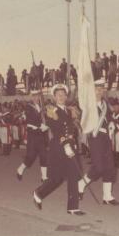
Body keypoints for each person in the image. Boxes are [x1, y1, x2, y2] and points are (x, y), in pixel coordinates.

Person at [33, 84, 85, 215]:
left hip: (71, 145)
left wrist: (72, 142)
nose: (61, 97)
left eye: (63, 94)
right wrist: (65, 143)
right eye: (58, 95)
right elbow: (55, 128)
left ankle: (72, 207)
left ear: (66, 96)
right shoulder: (51, 110)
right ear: (54, 97)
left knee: (74, 174)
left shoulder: (70, 110)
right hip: (59, 147)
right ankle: (39, 193)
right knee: (57, 179)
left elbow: (73, 128)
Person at [78, 79, 119, 205]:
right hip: (95, 137)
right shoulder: (88, 106)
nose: (100, 91)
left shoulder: (105, 105)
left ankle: (107, 196)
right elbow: (83, 121)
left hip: (106, 137)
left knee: (110, 167)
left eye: (102, 89)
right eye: (97, 88)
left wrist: (112, 124)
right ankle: (80, 184)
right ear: (92, 90)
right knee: (99, 166)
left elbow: (110, 118)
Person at [16, 90, 49, 182]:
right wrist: (40, 125)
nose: (36, 98)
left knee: (44, 155)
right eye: (34, 96)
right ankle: (20, 169)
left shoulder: (42, 107)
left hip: (41, 135)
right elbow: (30, 119)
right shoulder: (28, 107)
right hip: (33, 135)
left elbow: (45, 118)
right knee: (30, 157)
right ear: (31, 97)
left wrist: (47, 123)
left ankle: (44, 177)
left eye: (37, 96)